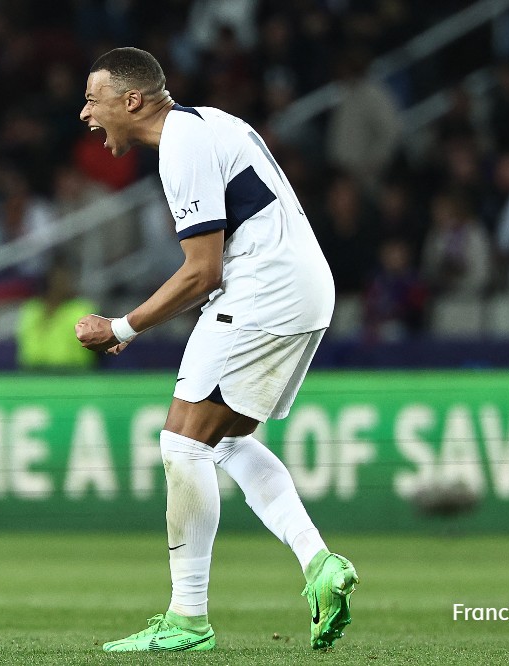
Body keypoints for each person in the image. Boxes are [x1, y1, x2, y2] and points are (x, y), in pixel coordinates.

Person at [74, 47, 357, 653]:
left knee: (181, 442)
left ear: (132, 100)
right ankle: (320, 565)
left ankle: (188, 617)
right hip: (302, 287)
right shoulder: (211, 124)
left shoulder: (182, 143)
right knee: (223, 441)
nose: (84, 113)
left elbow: (202, 271)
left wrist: (122, 327)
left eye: (94, 99)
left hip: (266, 289)